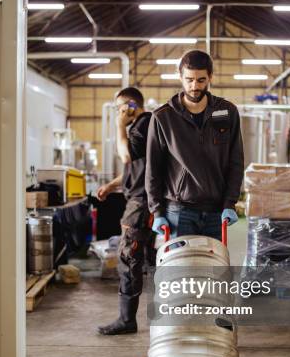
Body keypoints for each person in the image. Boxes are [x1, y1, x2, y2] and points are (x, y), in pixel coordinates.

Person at [145, 50, 244, 241]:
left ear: (210, 78)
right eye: (189, 79)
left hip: (217, 212)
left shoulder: (227, 112)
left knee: (214, 270)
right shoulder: (163, 117)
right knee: (182, 271)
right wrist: (157, 211)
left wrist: (230, 203)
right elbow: (153, 169)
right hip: (179, 211)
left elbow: (236, 162)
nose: (194, 86)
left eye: (201, 80)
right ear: (180, 77)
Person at [97, 87, 153, 335]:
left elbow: (127, 156)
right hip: (140, 199)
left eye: (121, 107)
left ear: (131, 106)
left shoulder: (141, 125)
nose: (119, 112)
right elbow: (135, 170)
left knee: (129, 257)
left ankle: (127, 320)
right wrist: (111, 185)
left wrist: (119, 125)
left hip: (139, 203)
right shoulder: (145, 126)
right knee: (138, 257)